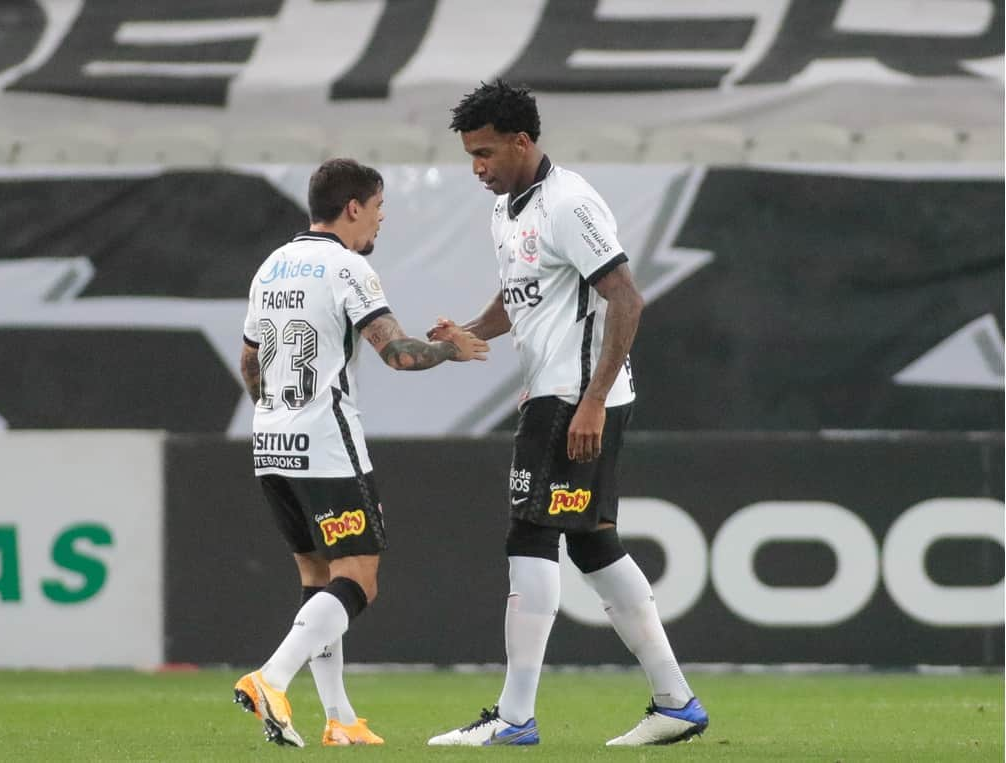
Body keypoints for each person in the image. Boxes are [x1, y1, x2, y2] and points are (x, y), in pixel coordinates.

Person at [426, 80, 708, 747]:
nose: (477, 168)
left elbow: (627, 299)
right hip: (563, 393)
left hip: (572, 397)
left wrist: (591, 401)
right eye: (470, 155)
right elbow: (522, 297)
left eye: (486, 152)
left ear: (523, 142)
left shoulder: (569, 203)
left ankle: (515, 717)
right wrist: (469, 331)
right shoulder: (507, 209)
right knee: (592, 540)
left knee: (529, 535)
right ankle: (676, 701)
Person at [233, 158, 489, 748]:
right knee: (359, 581)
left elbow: (250, 362)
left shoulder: (270, 266)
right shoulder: (347, 267)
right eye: (377, 210)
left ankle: (339, 717)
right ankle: (271, 678)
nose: (379, 223)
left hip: (271, 443)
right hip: (326, 445)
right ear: (353, 208)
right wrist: (452, 349)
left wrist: (275, 416)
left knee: (318, 580)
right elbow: (398, 354)